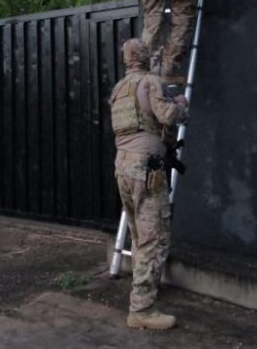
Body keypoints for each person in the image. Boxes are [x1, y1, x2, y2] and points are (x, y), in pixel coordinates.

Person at [109, 38, 188, 330]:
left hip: (123, 168)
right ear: (145, 57)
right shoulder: (150, 82)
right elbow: (167, 115)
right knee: (152, 237)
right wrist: (180, 104)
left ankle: (147, 287)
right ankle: (141, 309)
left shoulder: (119, 89)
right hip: (146, 170)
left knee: (139, 234)